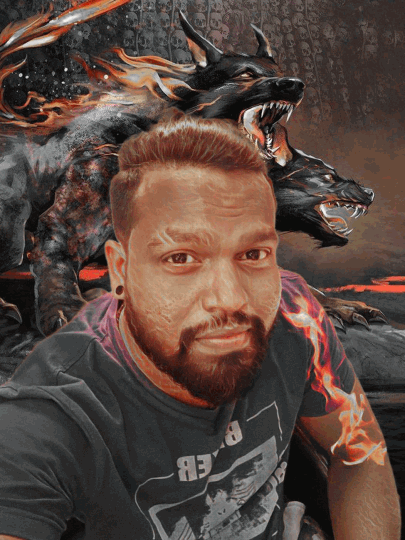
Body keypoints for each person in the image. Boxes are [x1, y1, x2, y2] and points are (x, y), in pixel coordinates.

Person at [0, 113, 400, 540]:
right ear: (121, 271)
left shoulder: (295, 312)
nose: (230, 298)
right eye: (181, 258)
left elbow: (358, 452)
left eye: (253, 254)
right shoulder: (47, 417)